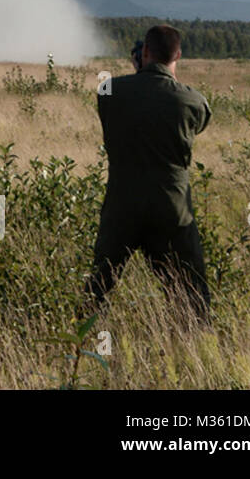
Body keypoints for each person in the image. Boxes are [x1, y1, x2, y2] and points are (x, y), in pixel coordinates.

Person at [85, 24, 212, 323]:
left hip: (122, 206)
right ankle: (195, 342)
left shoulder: (109, 91)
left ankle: (85, 341)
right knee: (190, 288)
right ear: (178, 54)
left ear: (144, 52)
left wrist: (138, 73)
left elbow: (109, 96)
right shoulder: (190, 100)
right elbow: (200, 117)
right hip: (172, 209)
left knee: (99, 287)